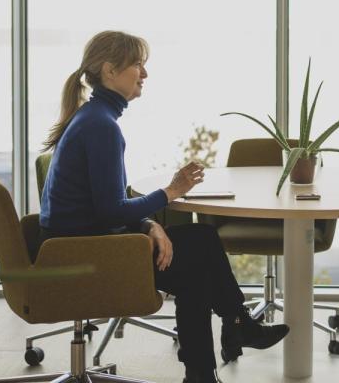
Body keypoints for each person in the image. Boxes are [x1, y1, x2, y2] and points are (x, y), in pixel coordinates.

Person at [40, 30, 288, 383]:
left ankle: (216, 355)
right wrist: (170, 192)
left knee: (198, 251)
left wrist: (150, 225)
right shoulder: (101, 127)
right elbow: (110, 210)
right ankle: (233, 333)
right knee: (199, 250)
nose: (145, 73)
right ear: (110, 71)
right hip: (84, 254)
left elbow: (103, 206)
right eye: (138, 65)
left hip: (79, 243)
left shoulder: (95, 118)